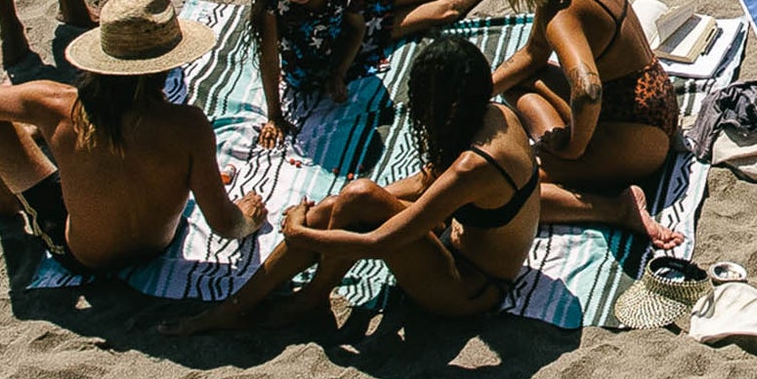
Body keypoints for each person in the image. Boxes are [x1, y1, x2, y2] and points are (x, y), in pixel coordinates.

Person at [165, 34, 537, 334]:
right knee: (346, 202)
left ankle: (312, 297)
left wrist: (300, 233)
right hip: (453, 243)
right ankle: (237, 307)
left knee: (358, 197)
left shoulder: (476, 166)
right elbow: (430, 182)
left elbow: (382, 241)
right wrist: (338, 206)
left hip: (468, 288)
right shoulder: (496, 113)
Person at [0, 0, 261, 270]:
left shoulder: (57, 105)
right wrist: (248, 219)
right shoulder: (189, 125)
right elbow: (224, 224)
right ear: (168, 65)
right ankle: (24, 158)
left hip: (83, 256)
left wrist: (43, 120)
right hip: (158, 245)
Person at [465, 0, 680, 249]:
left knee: (508, 184)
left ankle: (614, 208)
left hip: (637, 136)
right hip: (651, 100)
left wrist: (573, 146)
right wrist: (477, 94)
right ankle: (558, 144)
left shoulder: (561, 16)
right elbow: (533, 55)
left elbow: (588, 89)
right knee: (518, 81)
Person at [249, 0, 486, 144]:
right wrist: (275, 115)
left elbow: (357, 27)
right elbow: (269, 57)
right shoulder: (270, 4)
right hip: (354, 39)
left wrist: (339, 72)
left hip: (362, 7)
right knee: (445, 11)